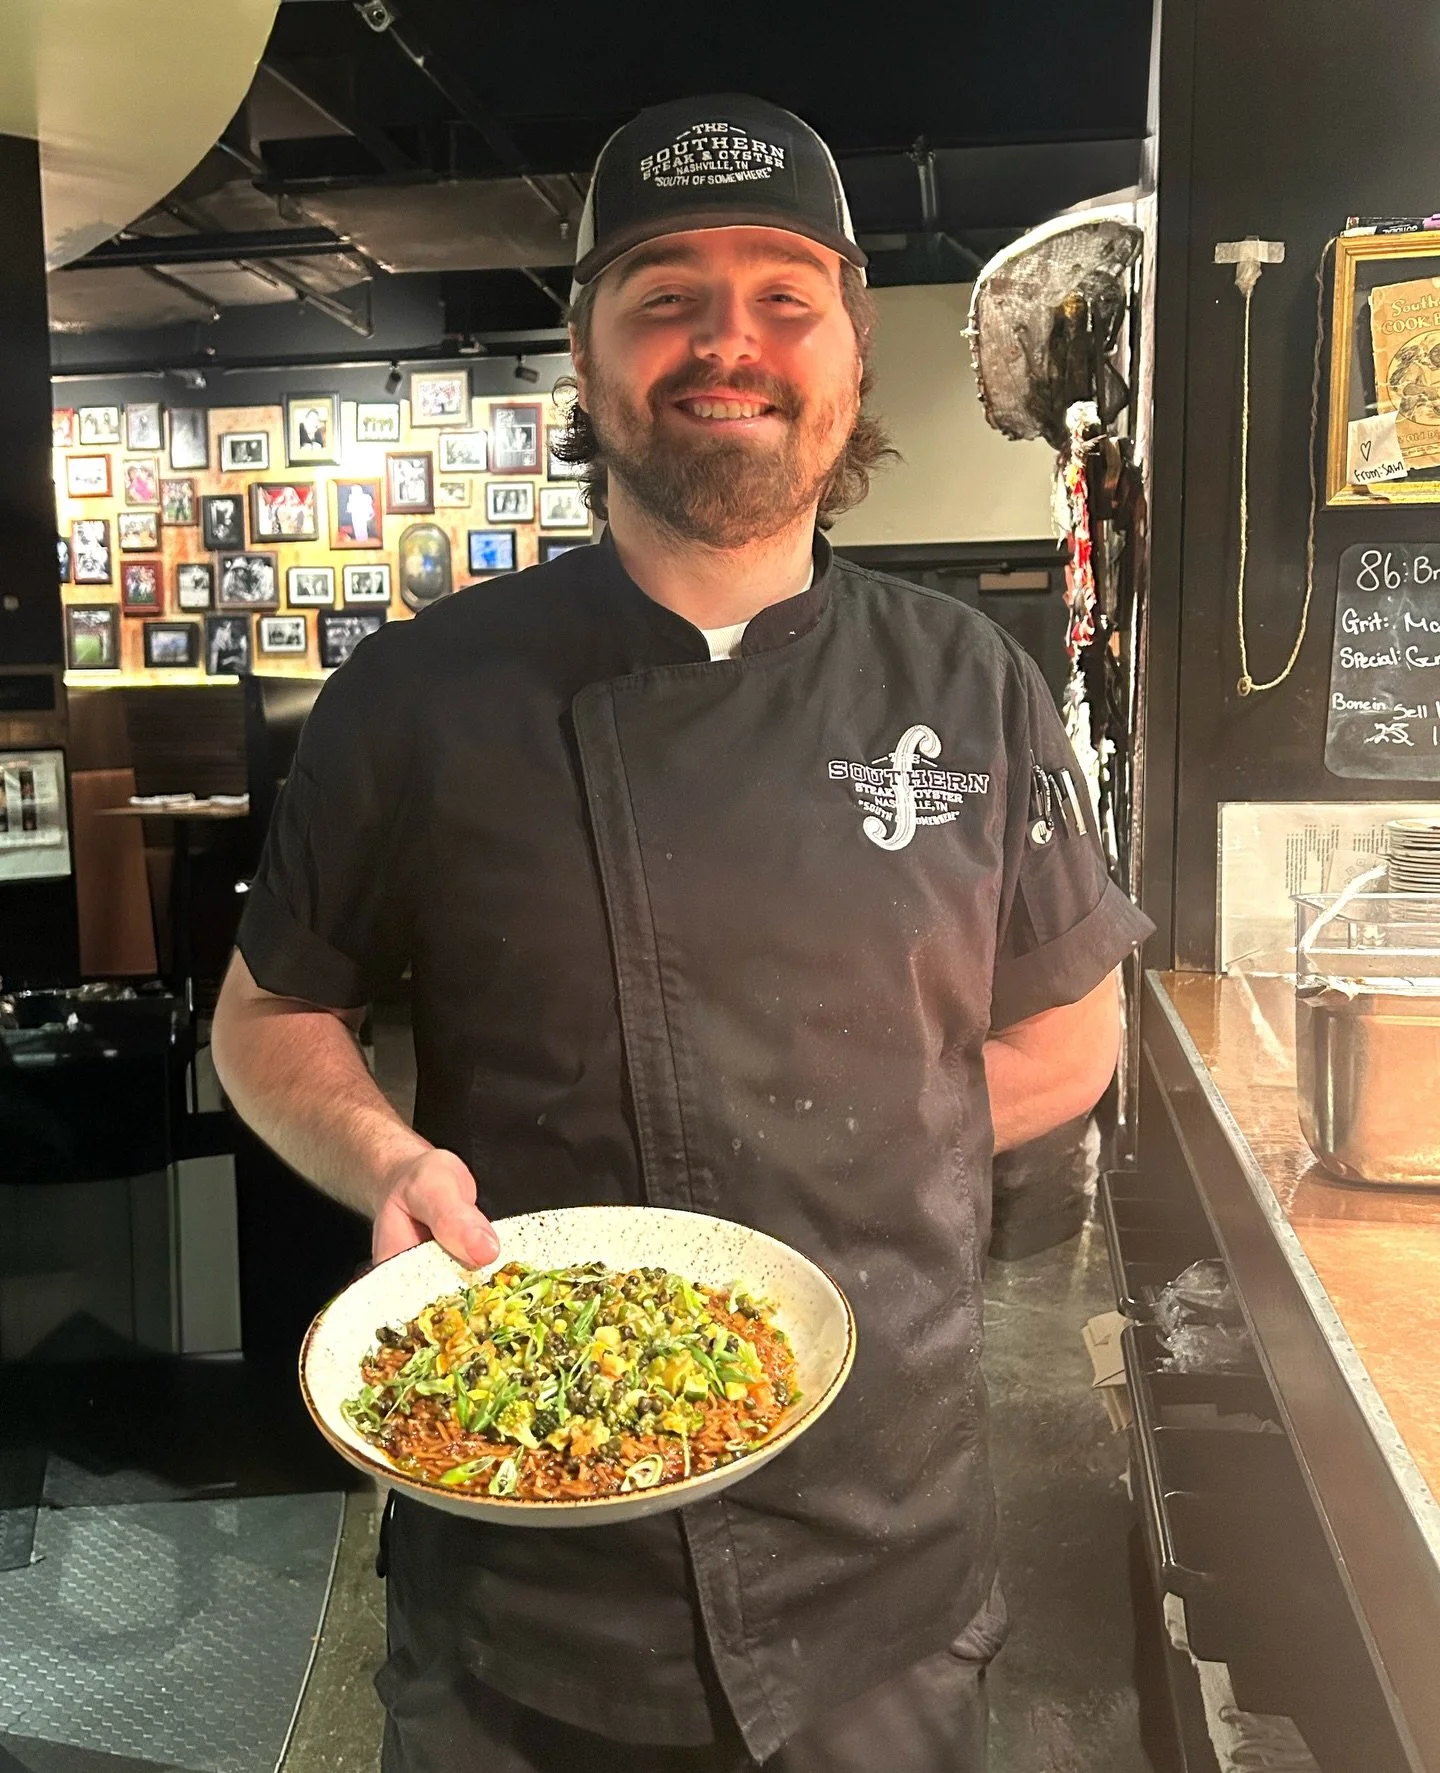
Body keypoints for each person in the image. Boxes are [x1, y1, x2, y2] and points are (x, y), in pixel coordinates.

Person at [212, 93, 1152, 1773]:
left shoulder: (969, 687)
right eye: (664, 298)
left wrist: (873, 1153)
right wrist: (385, 1160)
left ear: (852, 359)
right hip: (526, 1590)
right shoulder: (418, 698)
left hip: (882, 1560)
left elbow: (1072, 1035)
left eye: (784, 297)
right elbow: (269, 1020)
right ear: (586, 361)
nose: (729, 342)